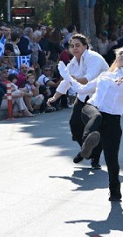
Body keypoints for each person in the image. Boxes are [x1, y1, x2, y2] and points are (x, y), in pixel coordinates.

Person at [52, 46, 123, 201]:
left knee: (111, 160)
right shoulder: (104, 75)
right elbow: (81, 89)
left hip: (112, 119)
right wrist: (66, 76)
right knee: (97, 118)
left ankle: (114, 191)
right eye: (120, 53)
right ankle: (86, 146)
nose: (122, 55)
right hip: (91, 109)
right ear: (116, 57)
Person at [52, 34, 109, 167]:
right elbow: (66, 82)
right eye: (72, 46)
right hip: (84, 96)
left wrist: (68, 76)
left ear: (85, 46)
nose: (74, 48)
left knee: (95, 128)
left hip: (100, 97)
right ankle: (86, 150)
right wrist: (55, 97)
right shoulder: (73, 62)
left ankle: (95, 158)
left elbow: (86, 80)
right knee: (74, 124)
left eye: (78, 45)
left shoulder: (94, 58)